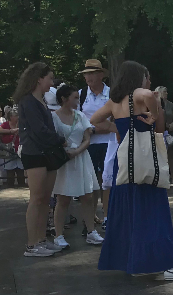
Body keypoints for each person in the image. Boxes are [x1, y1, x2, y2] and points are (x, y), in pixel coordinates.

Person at [92, 60, 173, 280]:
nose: (149, 81)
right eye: (146, 76)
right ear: (138, 77)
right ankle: (170, 265)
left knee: (130, 213)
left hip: (125, 163)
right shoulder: (140, 95)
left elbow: (94, 120)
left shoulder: (115, 101)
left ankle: (136, 263)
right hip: (144, 161)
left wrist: (118, 128)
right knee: (154, 211)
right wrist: (156, 109)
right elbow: (156, 122)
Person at [15, 62, 66, 257]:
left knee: (46, 199)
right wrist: (60, 140)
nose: (52, 83)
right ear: (39, 79)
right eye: (50, 78)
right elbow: (39, 130)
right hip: (34, 153)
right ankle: (32, 244)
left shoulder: (42, 100)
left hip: (47, 154)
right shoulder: (28, 101)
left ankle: (42, 239)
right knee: (36, 199)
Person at [50, 84, 104, 249]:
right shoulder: (54, 117)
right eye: (74, 97)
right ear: (64, 99)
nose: (77, 100)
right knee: (63, 198)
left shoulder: (80, 115)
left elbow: (87, 138)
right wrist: (67, 151)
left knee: (87, 196)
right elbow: (52, 138)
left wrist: (77, 151)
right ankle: (58, 235)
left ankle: (91, 232)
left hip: (81, 158)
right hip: (64, 161)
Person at [77, 59, 113, 231]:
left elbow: (116, 119)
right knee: (90, 183)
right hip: (88, 144)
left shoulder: (112, 93)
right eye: (86, 74)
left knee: (107, 181)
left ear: (100, 75)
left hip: (109, 143)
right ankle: (89, 219)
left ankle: (107, 217)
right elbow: (77, 119)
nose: (88, 77)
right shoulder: (81, 94)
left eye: (91, 73)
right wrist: (93, 130)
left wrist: (95, 129)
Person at [155, 86, 173, 183]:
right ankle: (162, 176)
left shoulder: (170, 104)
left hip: (170, 132)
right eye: (165, 92)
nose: (166, 93)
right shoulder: (155, 103)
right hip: (160, 132)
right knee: (161, 155)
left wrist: (172, 124)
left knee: (171, 155)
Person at [0, 108, 25, 186]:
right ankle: (10, 187)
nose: (18, 117)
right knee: (10, 172)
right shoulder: (6, 124)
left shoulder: (21, 124)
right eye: (16, 115)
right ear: (11, 117)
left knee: (21, 172)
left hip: (20, 151)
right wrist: (10, 131)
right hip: (9, 152)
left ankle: (21, 188)